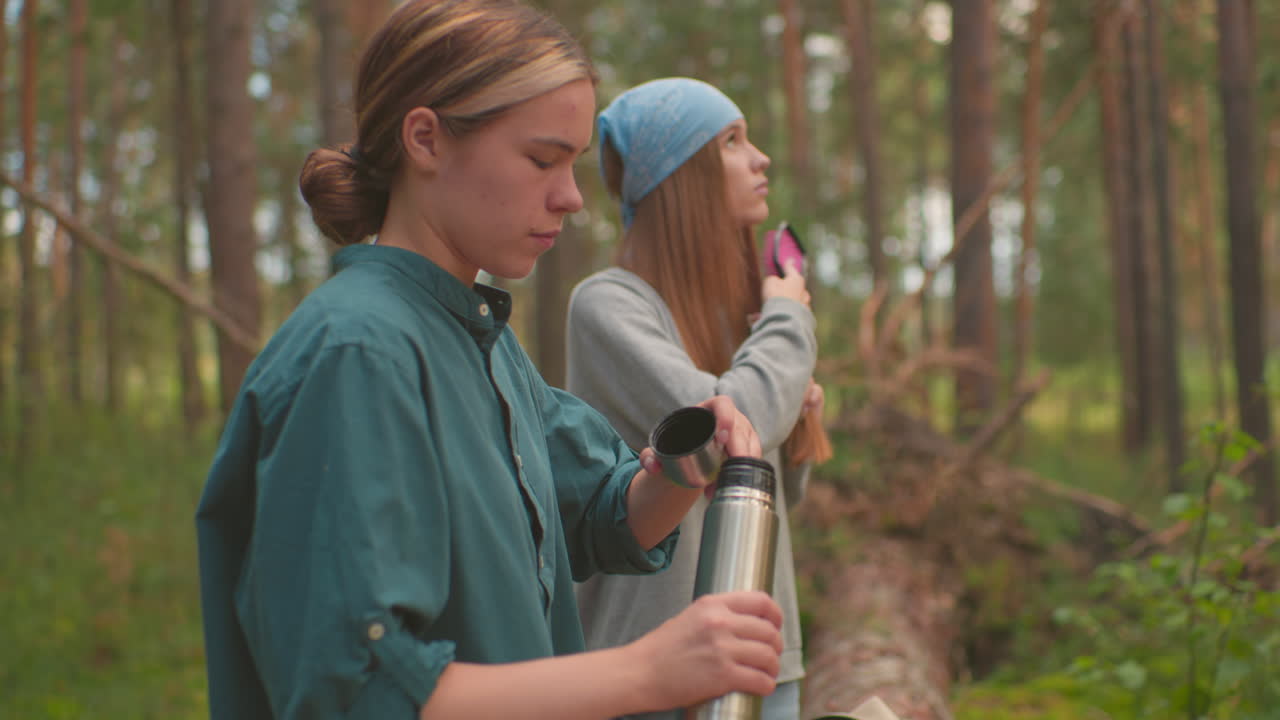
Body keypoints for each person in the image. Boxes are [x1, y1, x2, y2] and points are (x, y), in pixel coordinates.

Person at [194, 5, 786, 719]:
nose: (570, 196)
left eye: (572, 163)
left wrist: (690, 463)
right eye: (542, 159)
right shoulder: (356, 355)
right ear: (426, 139)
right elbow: (358, 689)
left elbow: (594, 515)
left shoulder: (484, 342)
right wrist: (646, 673)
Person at [568, 77, 832, 720]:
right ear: (680, 176)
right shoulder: (608, 305)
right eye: (733, 142)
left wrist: (795, 427)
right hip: (650, 666)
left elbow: (775, 499)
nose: (760, 158)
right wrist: (787, 320)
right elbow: (726, 427)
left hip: (762, 648)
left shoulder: (728, 319)